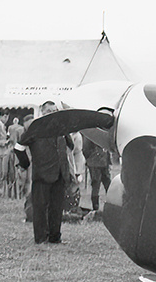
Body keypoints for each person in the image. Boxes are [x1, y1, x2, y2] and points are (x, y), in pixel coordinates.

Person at [14, 100, 75, 244]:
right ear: (42, 112)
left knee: (57, 207)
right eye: (49, 111)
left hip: (60, 173)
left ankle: (55, 237)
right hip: (42, 174)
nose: (52, 114)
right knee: (40, 208)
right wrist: (26, 164)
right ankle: (40, 238)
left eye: (54, 111)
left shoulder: (61, 127)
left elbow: (70, 146)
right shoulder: (35, 127)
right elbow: (18, 147)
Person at [82, 122, 117, 212]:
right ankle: (95, 208)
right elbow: (86, 149)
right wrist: (90, 159)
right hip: (94, 163)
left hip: (104, 162)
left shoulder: (105, 131)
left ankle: (113, 205)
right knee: (96, 184)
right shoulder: (91, 133)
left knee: (108, 184)